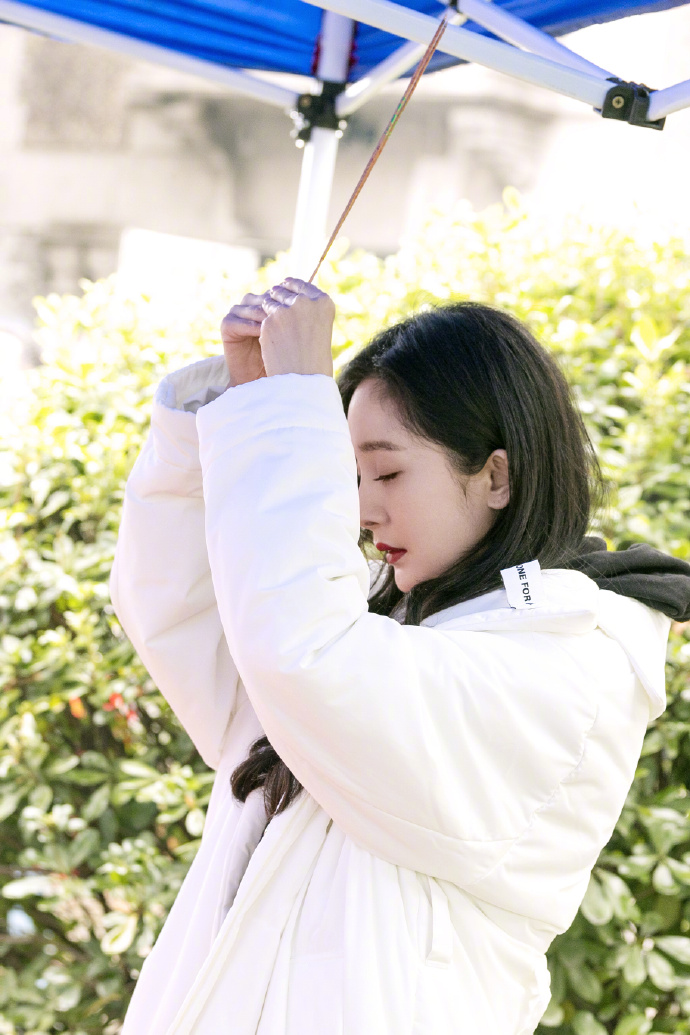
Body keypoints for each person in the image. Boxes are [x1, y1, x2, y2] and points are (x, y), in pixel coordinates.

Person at [109, 277, 690, 1035]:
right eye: (350, 475)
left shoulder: (570, 671)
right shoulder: (380, 626)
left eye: (386, 472)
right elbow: (185, 605)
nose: (361, 507)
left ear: (496, 475)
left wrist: (293, 405)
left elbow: (304, 654)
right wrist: (239, 406)